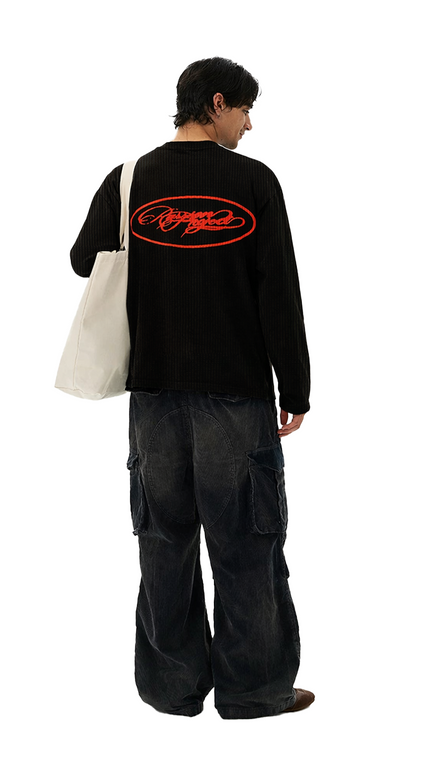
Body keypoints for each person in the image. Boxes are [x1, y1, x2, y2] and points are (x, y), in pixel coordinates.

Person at [69, 57, 314, 719]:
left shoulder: (130, 179)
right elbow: (279, 293)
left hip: (153, 398)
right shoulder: (253, 182)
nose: (248, 125)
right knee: (247, 546)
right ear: (217, 103)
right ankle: (253, 691)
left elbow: (82, 259)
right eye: (245, 110)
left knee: (163, 545)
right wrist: (295, 387)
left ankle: (172, 690)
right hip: (236, 396)